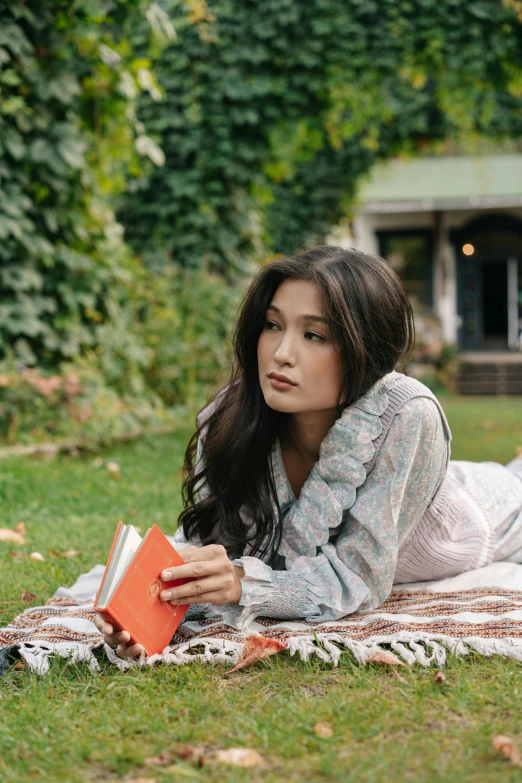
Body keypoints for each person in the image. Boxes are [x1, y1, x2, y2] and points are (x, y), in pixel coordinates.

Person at [94, 245, 522, 660]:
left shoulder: (407, 414)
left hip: (484, 517)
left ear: (367, 350)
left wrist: (245, 583)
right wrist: (143, 616)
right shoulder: (229, 417)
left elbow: (358, 577)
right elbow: (217, 554)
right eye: (272, 325)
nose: (281, 354)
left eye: (314, 335)